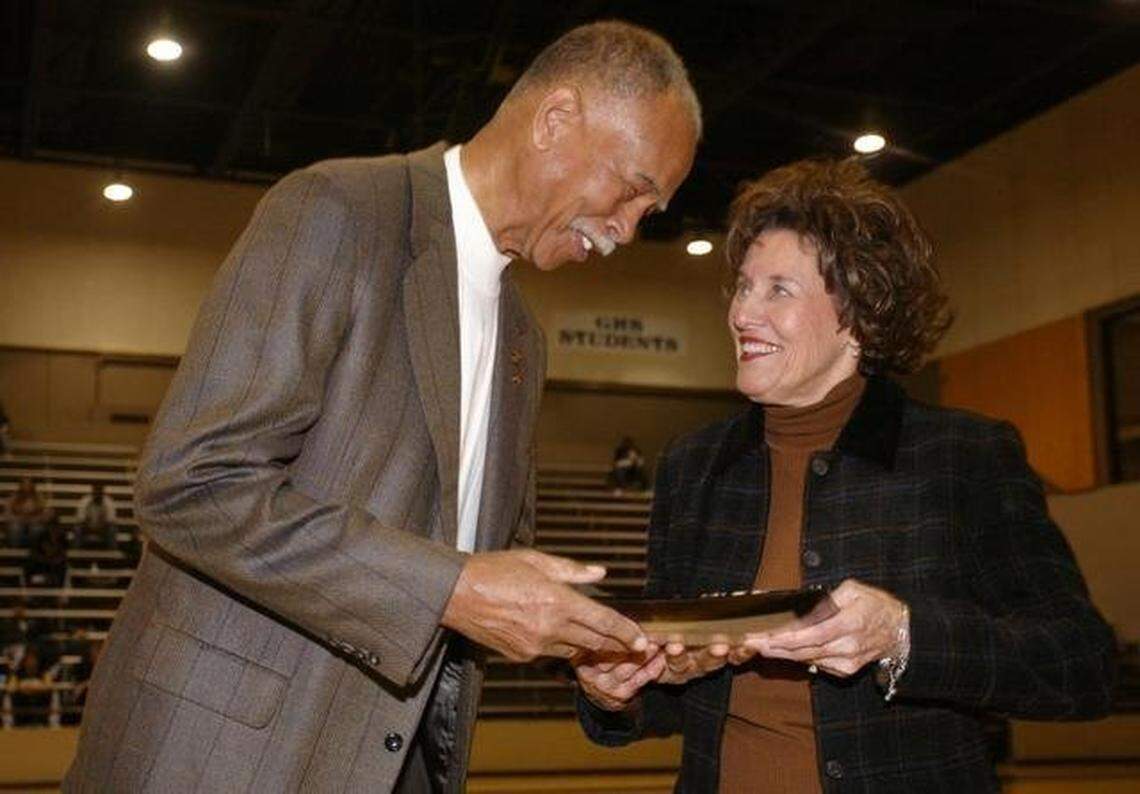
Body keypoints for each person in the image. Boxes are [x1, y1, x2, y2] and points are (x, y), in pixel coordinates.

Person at [67, 20, 700, 793]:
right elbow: (190, 482)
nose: (628, 229)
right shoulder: (335, 209)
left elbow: (487, 566)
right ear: (556, 119)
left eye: (651, 213)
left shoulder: (524, 342)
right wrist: (453, 589)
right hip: (220, 761)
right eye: (633, 191)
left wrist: (587, 645)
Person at [575, 159, 1114, 792]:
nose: (743, 313)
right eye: (742, 287)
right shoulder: (693, 467)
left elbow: (1082, 665)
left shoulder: (963, 457)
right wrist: (624, 688)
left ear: (859, 312)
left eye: (778, 289)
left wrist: (902, 635)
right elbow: (681, 693)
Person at [3, 477, 52, 547]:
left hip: (34, 524)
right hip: (18, 524)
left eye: (29, 483)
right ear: (20, 485)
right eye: (24, 483)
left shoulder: (39, 498)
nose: (26, 486)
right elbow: (7, 514)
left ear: (33, 485)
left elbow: (47, 514)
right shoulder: (13, 497)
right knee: (14, 527)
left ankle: (34, 551)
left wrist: (36, 519)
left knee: (37, 529)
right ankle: (15, 551)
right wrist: (19, 519)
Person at [72, 483, 119, 549]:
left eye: (99, 492)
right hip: (87, 528)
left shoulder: (108, 502)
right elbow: (80, 518)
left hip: (103, 529)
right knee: (78, 528)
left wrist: (101, 527)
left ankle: (113, 551)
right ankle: (76, 550)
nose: (97, 494)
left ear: (102, 493)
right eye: (96, 492)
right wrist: (88, 527)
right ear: (93, 492)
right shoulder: (85, 501)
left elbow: (110, 520)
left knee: (112, 529)